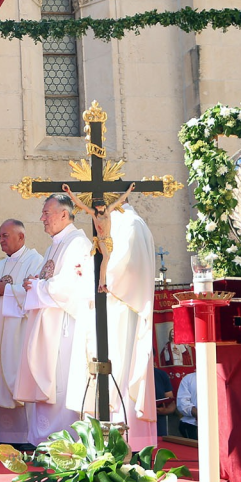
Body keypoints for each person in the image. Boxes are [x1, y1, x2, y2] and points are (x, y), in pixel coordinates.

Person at [64, 190, 159, 451]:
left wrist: (97, 275)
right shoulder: (118, 223)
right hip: (110, 310)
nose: (96, 217)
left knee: (121, 369)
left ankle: (125, 442)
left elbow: (122, 270)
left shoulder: (131, 225)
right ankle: (103, 438)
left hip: (122, 311)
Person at [14, 194, 94, 446]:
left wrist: (37, 286)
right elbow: (48, 279)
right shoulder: (53, 246)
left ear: (64, 214)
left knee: (59, 383)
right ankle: (42, 439)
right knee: (46, 380)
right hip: (46, 325)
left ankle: (63, 442)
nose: (42, 219)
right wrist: (35, 284)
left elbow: (70, 286)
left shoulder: (78, 243)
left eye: (47, 213)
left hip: (63, 327)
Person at [0, 219, 46, 449]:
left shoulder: (36, 262)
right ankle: (6, 438)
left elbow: (35, 294)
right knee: (0, 379)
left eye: (5, 235)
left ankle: (27, 438)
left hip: (20, 334)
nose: (1, 240)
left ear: (21, 237)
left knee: (19, 379)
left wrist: (6, 290)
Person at [175, 371, 198, 440]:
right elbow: (182, 403)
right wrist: (198, 414)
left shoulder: (221, 377)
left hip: (219, 425)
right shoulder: (189, 378)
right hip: (192, 425)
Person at [155, 367, 175, 438]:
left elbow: (170, 400)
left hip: (158, 419)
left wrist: (166, 410)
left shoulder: (161, 374)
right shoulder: (129, 373)